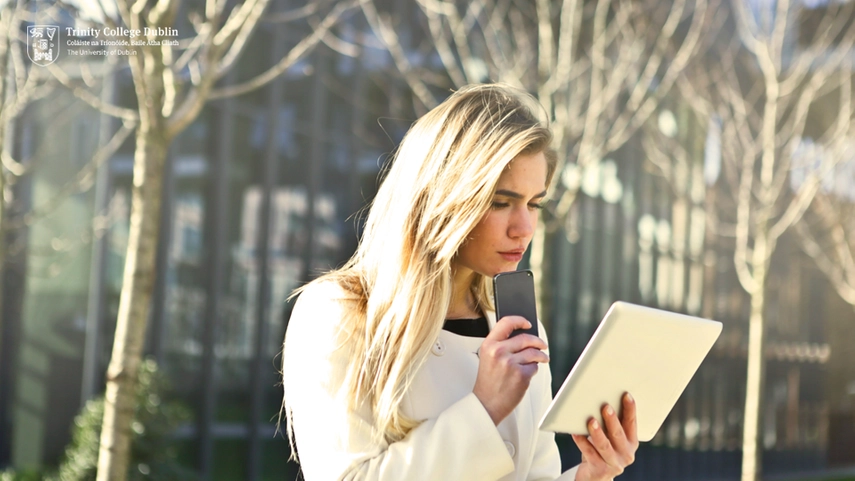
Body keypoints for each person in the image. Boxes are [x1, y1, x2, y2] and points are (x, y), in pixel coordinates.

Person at [281, 84, 638, 480]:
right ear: (444, 198)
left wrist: (592, 474)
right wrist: (484, 408)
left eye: (534, 204)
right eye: (500, 202)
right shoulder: (339, 314)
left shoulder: (517, 327)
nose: (524, 228)